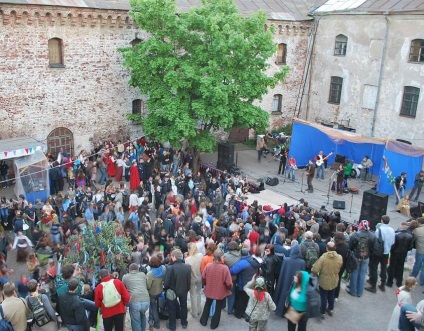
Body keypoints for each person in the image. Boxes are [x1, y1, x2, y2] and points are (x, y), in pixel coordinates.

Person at [199, 250, 232, 329]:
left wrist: (205, 284)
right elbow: (229, 283)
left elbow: (203, 278)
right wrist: (228, 289)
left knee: (207, 304)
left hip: (209, 289)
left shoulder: (208, 266)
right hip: (220, 291)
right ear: (221, 257)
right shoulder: (225, 268)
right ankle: (214, 325)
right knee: (218, 308)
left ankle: (203, 321)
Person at [311, 241, 342, 319]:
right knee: (331, 295)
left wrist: (314, 274)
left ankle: (322, 312)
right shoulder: (339, 257)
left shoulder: (323, 258)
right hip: (334, 279)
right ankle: (330, 309)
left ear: (327, 248)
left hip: (324, 280)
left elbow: (315, 269)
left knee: (323, 296)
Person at [365, 215, 395, 293]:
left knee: (374, 267)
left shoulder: (379, 230)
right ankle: (382, 285)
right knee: (383, 268)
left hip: (378, 252)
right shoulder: (392, 230)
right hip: (386, 252)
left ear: (382, 220)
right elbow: (393, 242)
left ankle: (373, 285)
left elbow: (374, 240)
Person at [163, 249, 191, 331]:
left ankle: (172, 326)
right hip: (184, 290)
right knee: (184, 306)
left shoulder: (170, 268)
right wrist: (187, 289)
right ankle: (184, 323)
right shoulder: (187, 267)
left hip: (172, 291)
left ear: (174, 257)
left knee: (172, 308)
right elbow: (188, 280)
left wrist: (165, 288)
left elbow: (166, 283)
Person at [274, 244, 305, 317]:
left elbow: (282, 273)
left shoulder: (286, 260)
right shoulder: (302, 262)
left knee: (283, 293)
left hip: (286, 280)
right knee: (294, 296)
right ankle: (292, 313)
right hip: (296, 282)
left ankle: (281, 311)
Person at [347, 220, 375, 297]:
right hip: (366, 257)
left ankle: (352, 291)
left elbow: (350, 247)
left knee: (354, 272)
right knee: (363, 274)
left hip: (356, 256)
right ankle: (359, 292)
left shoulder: (355, 235)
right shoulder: (372, 236)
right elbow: (373, 248)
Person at [122, 263, 151, 331]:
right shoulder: (143, 275)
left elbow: (123, 289)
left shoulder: (125, 277)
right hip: (146, 300)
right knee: (143, 315)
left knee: (136, 320)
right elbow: (147, 285)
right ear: (138, 269)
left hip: (134, 301)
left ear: (129, 270)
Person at [387, 222, 413, 288]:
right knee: (400, 267)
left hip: (395, 253)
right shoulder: (410, 236)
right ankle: (399, 282)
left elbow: (393, 245)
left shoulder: (396, 235)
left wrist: (391, 250)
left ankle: (389, 282)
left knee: (392, 267)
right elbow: (410, 247)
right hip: (403, 253)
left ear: (401, 226)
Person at [146, 255, 166, 330]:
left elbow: (148, 286)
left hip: (152, 292)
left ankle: (156, 323)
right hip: (160, 290)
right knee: (155, 306)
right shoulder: (162, 269)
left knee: (153, 306)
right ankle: (151, 319)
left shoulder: (150, 273)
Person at [184, 242, 203, 318]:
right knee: (199, 293)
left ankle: (194, 312)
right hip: (200, 277)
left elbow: (187, 271)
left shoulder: (187, 259)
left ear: (189, 249)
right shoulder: (201, 255)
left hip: (192, 279)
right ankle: (198, 309)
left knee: (192, 295)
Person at [411, 217, 424, 285]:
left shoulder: (417, 230)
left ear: (418, 223)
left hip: (420, 251)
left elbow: (412, 239)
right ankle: (422, 281)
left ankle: (412, 278)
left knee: (417, 265)